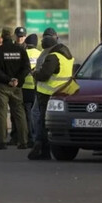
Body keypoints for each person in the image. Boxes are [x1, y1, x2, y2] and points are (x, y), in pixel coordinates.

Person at [28, 28, 74, 160]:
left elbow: (44, 75)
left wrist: (35, 74)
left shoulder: (53, 57)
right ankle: (47, 149)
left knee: (43, 122)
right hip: (63, 92)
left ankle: (43, 150)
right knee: (52, 122)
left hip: (47, 93)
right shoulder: (66, 54)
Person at [0, 28, 29, 150]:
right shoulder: (21, 50)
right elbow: (26, 67)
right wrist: (17, 79)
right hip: (16, 87)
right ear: (12, 36)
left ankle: (1, 141)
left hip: (2, 86)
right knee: (19, 113)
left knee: (2, 114)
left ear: (2, 37)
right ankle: (23, 142)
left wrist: (8, 80)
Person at [7, 26, 27, 145]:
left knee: (24, 113)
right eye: (18, 36)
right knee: (14, 113)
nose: (20, 38)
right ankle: (15, 137)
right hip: (14, 86)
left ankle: (25, 137)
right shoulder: (10, 49)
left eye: (22, 36)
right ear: (15, 36)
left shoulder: (28, 49)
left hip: (27, 87)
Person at [22, 33, 41, 143]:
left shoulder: (23, 53)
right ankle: (35, 136)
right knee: (36, 113)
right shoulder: (40, 54)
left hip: (24, 87)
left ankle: (27, 136)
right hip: (36, 87)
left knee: (26, 114)